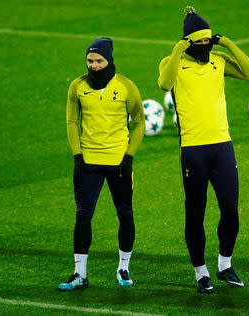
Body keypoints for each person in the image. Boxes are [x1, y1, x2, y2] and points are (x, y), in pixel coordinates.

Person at [158, 6, 249, 294]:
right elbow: (164, 84)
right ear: (188, 41)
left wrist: (227, 43)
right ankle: (200, 272)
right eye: (198, 41)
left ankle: (224, 264)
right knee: (195, 213)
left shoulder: (218, 59)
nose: (204, 45)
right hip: (193, 150)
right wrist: (179, 49)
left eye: (207, 40)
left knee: (230, 211)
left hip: (222, 146)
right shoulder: (171, 62)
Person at [59, 37, 145, 291]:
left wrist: (129, 157)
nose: (93, 65)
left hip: (118, 163)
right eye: (89, 60)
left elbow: (139, 123)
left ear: (109, 60)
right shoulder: (77, 87)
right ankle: (79, 274)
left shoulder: (127, 87)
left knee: (125, 215)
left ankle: (123, 267)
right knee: (83, 217)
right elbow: (71, 123)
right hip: (88, 164)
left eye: (98, 60)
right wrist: (78, 155)